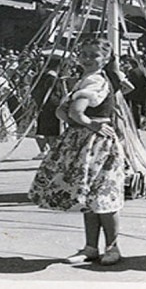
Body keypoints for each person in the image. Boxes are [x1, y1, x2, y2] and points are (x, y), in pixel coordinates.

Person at [28, 38, 126, 266]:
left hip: (96, 143)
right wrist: (79, 118)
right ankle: (91, 247)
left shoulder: (95, 80)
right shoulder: (83, 80)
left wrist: (88, 122)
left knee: (103, 196)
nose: (88, 59)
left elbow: (74, 112)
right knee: (89, 195)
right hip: (84, 141)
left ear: (106, 59)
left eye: (94, 55)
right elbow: (64, 113)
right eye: (84, 54)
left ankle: (112, 247)